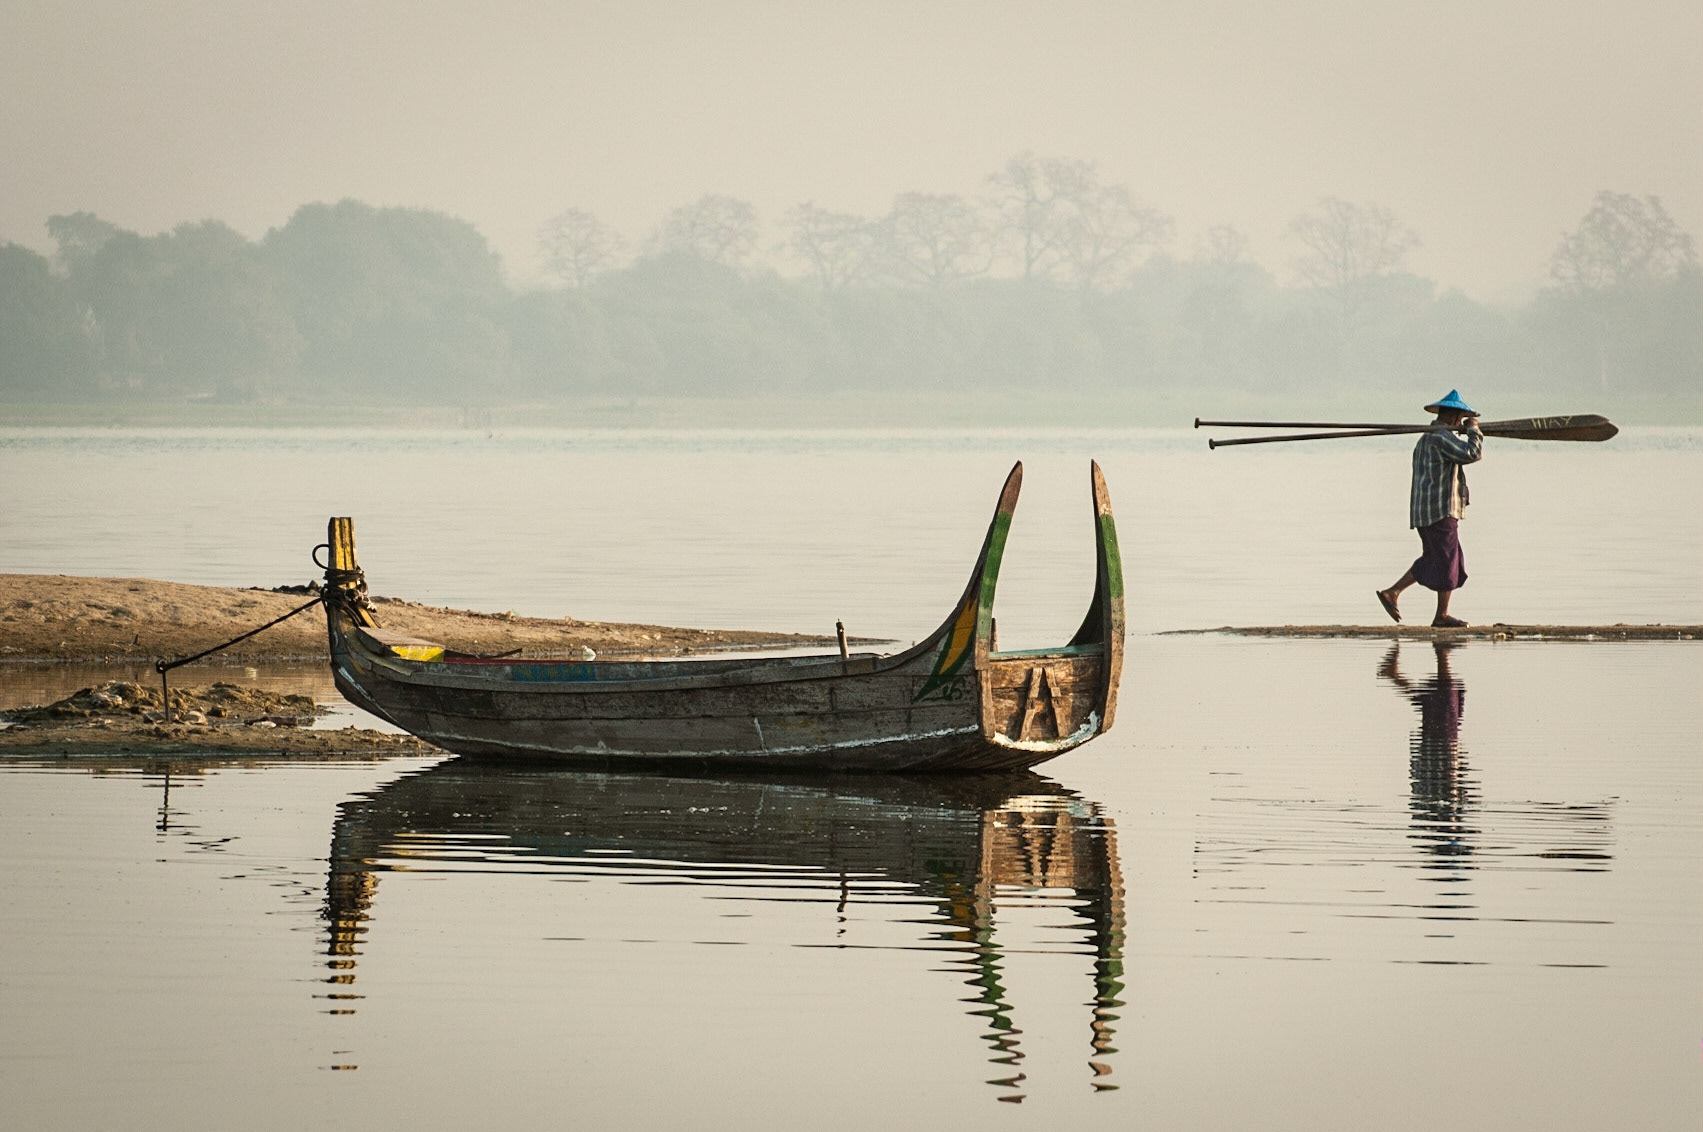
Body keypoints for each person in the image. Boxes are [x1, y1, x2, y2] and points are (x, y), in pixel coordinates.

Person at [1375, 390, 1483, 628]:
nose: (1461, 423)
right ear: (1454, 417)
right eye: (1461, 418)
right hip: (1440, 510)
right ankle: (1441, 615)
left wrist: (1466, 431)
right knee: (1447, 560)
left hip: (1425, 512)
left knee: (1437, 558)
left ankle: (1393, 593)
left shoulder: (1427, 438)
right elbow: (1472, 453)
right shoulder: (1441, 437)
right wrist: (1474, 430)